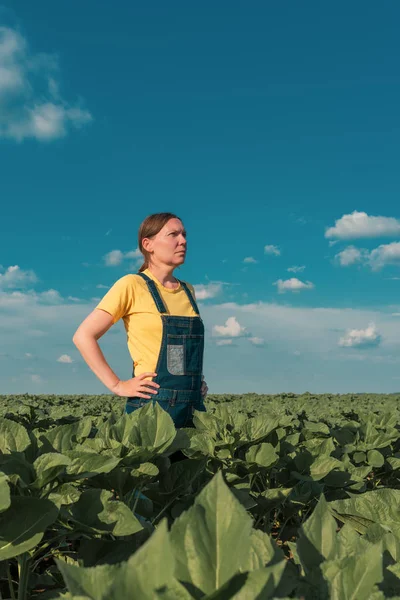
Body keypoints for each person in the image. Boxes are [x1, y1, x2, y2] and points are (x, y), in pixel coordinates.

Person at [72, 212, 208, 429]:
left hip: (193, 406)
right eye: (173, 234)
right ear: (148, 244)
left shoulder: (188, 291)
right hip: (152, 405)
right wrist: (117, 385)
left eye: (184, 234)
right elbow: (83, 336)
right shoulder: (132, 285)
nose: (182, 241)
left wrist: (194, 382)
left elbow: (180, 353)